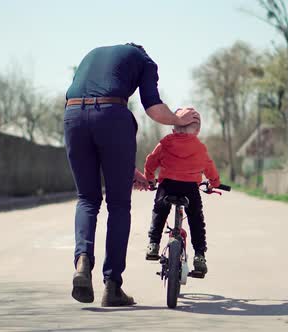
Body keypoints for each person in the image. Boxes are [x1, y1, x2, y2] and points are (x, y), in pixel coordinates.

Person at [64, 43, 199, 307]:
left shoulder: (92, 54)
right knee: (117, 204)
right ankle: (112, 285)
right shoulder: (144, 59)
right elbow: (153, 108)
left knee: (88, 199)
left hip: (73, 116)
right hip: (112, 117)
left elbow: (88, 106)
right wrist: (181, 121)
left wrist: (128, 169)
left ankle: (82, 261)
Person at [143, 108, 220, 275]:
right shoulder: (200, 148)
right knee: (195, 218)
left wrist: (149, 178)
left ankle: (153, 244)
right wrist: (214, 183)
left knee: (160, 210)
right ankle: (200, 255)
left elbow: (151, 161)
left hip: (167, 185)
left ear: (174, 127)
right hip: (190, 188)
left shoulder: (165, 143)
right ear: (197, 131)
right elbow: (209, 167)